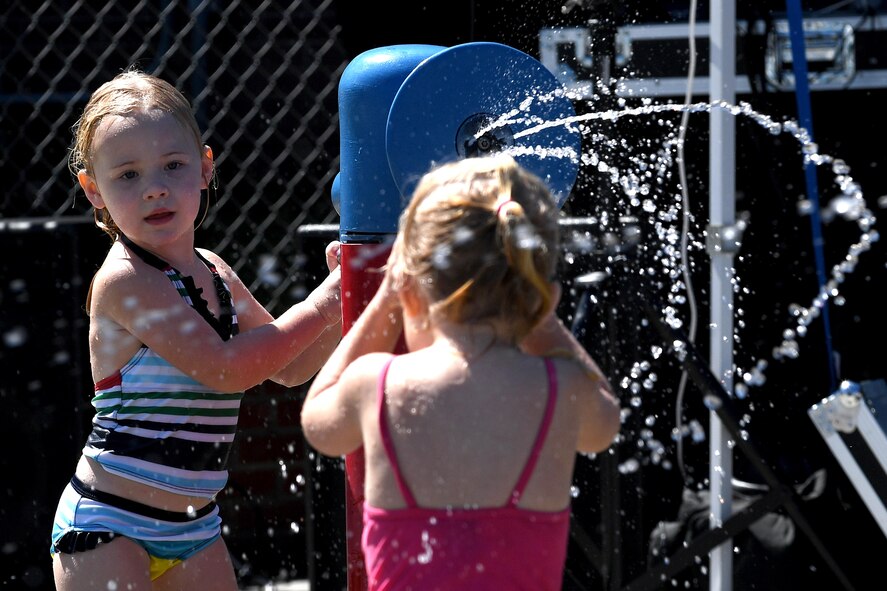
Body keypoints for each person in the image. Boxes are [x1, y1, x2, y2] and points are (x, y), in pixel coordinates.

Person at [50, 69, 343, 591]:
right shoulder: (126, 280)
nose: (155, 188)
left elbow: (290, 367)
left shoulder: (213, 271)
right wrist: (326, 299)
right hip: (109, 525)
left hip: (194, 528)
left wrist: (349, 301)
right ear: (93, 190)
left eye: (173, 165)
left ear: (206, 169)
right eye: (128, 176)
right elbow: (226, 369)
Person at [301, 153, 622, 590]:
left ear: (408, 290)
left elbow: (318, 424)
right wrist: (542, 319)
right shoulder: (558, 389)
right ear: (540, 299)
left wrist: (382, 304)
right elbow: (604, 426)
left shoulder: (376, 384)